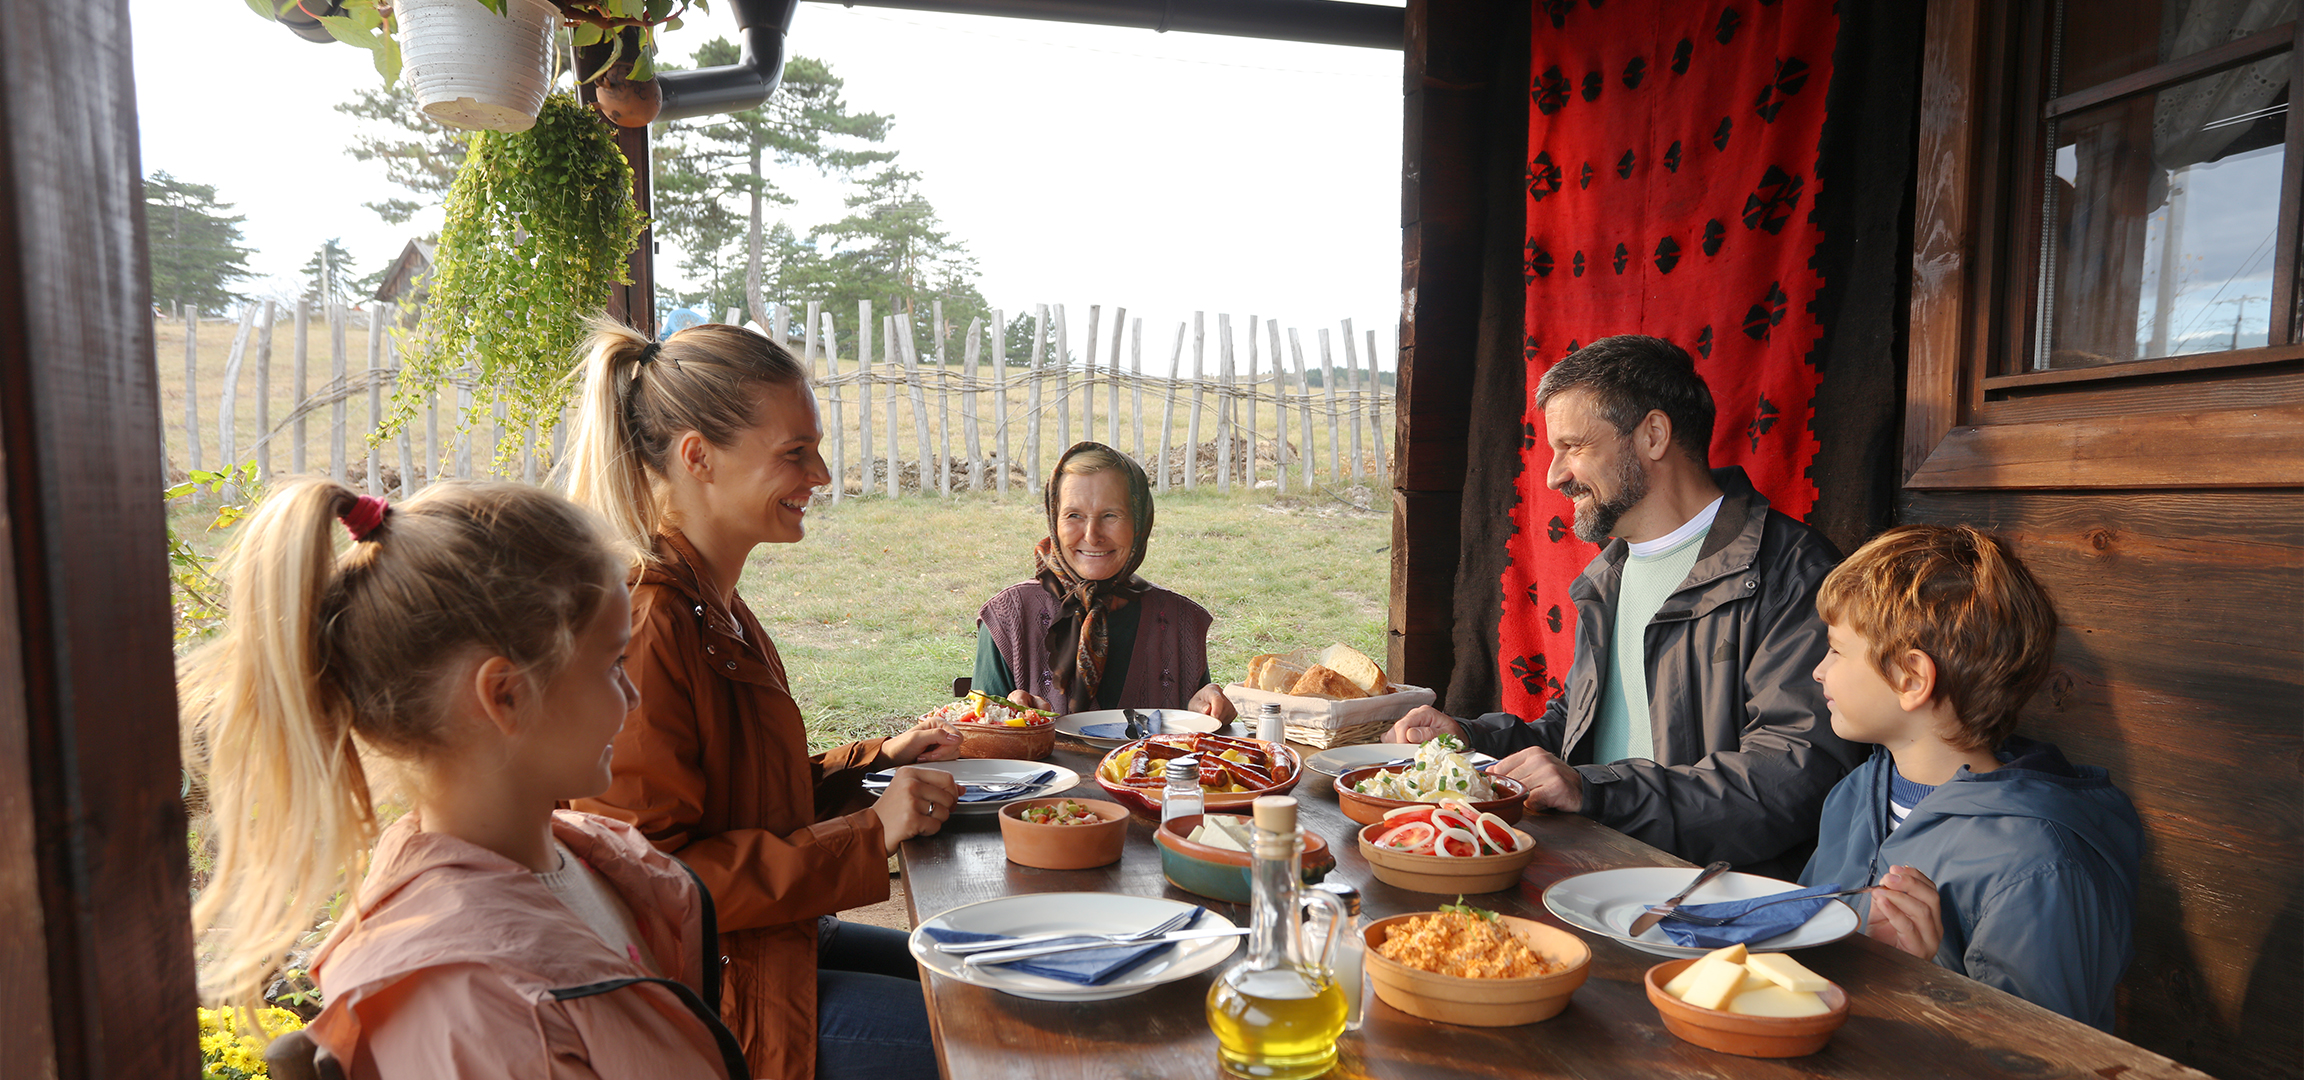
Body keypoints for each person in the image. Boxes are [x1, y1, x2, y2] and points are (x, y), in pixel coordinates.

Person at [181, 478, 747, 1077]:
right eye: (614, 664)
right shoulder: (476, 1006)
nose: (632, 698)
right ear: (504, 695)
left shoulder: (592, 860)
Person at [558, 321, 962, 1080]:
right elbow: (656, 878)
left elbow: (738, 802)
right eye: (795, 453)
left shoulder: (711, 603)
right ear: (698, 456)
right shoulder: (650, 624)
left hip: (768, 945)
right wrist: (869, 832)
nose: (823, 475)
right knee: (1002, 1032)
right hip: (711, 1003)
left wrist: (876, 761)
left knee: (989, 968)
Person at [1386, 334, 1862, 876]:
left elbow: (1791, 778)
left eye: (1574, 446)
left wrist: (1598, 792)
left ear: (1654, 435)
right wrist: (1472, 738)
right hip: (1593, 867)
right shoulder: (1609, 576)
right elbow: (1578, 735)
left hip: (1709, 901)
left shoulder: (1794, 575)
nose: (1554, 474)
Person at [1799, 525, 2141, 1030]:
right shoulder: (1855, 795)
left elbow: (2036, 1056)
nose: (1818, 671)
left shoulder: (2040, 868)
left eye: (1836, 650)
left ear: (1910, 678)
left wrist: (1925, 981)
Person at [974, 441, 1236, 720]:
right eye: (1074, 515)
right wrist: (1009, 722)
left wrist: (1207, 709)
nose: (1091, 535)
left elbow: (1195, 736)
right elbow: (975, 742)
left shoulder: (1180, 620)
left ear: (1139, 522)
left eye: (1111, 515)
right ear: (1054, 520)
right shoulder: (1008, 617)